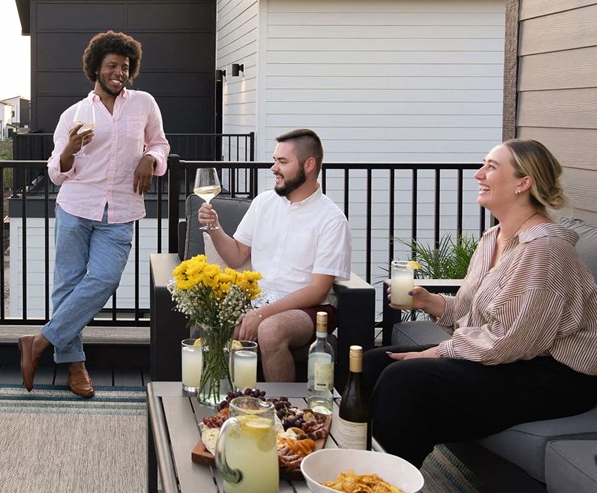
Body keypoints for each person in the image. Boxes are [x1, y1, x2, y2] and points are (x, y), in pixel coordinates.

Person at [364, 139, 597, 467]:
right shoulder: (493, 239)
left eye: (491, 167)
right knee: (373, 363)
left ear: (523, 183)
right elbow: (472, 309)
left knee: (404, 380)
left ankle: (385, 488)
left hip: (555, 375)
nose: (478, 174)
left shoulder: (545, 249)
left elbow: (509, 340)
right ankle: (356, 466)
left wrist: (439, 351)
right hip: (514, 358)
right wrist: (433, 303)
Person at [19, 30, 170, 397]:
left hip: (121, 210)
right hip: (76, 207)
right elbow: (57, 171)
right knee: (67, 285)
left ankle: (38, 343)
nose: (120, 72)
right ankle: (75, 365)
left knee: (104, 279)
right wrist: (70, 148)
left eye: (125, 66)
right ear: (96, 69)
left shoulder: (144, 104)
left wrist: (151, 158)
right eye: (112, 66)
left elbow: (160, 143)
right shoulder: (74, 113)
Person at [198, 128, 352, 382]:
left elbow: (318, 290)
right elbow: (237, 256)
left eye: (282, 161)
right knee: (215, 320)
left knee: (270, 330)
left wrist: (262, 313)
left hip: (308, 308)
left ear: (309, 164)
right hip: (258, 301)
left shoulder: (332, 220)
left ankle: (285, 410)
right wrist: (214, 226)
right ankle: (235, 406)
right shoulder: (263, 203)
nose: (273, 168)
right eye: (274, 160)